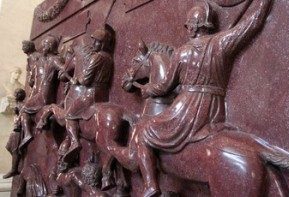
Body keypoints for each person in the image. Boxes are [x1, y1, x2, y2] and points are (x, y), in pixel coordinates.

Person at [132, 0, 273, 196]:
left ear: (195, 26)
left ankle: (150, 185)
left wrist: (149, 90)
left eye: (189, 25)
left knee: (144, 131)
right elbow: (253, 23)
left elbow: (165, 86)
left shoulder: (183, 52)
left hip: (185, 109)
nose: (188, 28)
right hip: (213, 110)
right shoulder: (222, 43)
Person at [57, 26, 114, 161]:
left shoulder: (97, 57)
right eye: (94, 41)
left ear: (104, 43)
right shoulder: (109, 58)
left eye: (97, 42)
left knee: (69, 115)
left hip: (91, 94)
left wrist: (74, 79)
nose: (94, 44)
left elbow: (86, 80)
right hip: (103, 94)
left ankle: (75, 141)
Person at [19, 35, 65, 149]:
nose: (42, 46)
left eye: (44, 44)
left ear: (49, 46)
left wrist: (63, 73)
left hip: (44, 95)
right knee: (24, 109)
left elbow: (64, 68)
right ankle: (28, 133)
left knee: (24, 108)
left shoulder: (54, 59)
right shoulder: (41, 61)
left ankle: (28, 134)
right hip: (37, 92)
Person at [3, 88, 26, 179]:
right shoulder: (16, 104)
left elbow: (23, 116)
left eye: (17, 93)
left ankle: (14, 169)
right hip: (15, 129)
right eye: (15, 93)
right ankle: (17, 161)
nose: (15, 95)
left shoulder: (23, 105)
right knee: (8, 147)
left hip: (19, 130)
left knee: (14, 149)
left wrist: (19, 114)